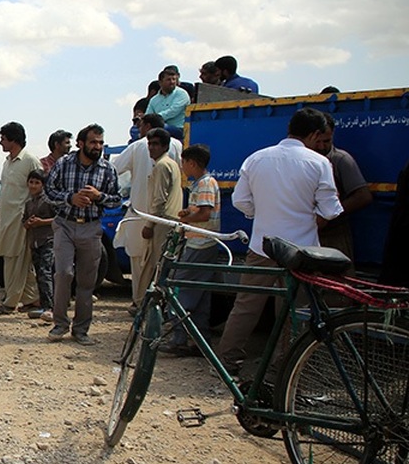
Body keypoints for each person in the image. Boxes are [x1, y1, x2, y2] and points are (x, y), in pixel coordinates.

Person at [215, 108, 343, 370]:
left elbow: (240, 201)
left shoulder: (257, 158)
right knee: (292, 311)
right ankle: (284, 366)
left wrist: (258, 213)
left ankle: (227, 358)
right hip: (301, 253)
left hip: (262, 246)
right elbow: (331, 210)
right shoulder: (319, 163)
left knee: (247, 304)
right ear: (315, 134)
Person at [44, 123, 121, 345]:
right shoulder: (64, 163)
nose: (97, 147)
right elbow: (48, 192)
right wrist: (71, 198)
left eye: (100, 143)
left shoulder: (107, 169)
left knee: (87, 280)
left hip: (91, 227)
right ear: (80, 144)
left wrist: (99, 196)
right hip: (65, 225)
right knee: (64, 273)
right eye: (93, 142)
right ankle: (59, 324)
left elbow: (117, 199)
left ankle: (81, 330)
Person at [112, 112, 183, 311]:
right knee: (163, 265)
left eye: (139, 123)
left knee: (142, 264)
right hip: (169, 218)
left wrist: (150, 224)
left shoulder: (141, 148)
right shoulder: (177, 147)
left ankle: (141, 303)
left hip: (147, 217)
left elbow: (114, 169)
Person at [159, 144, 221, 356]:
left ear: (192, 163)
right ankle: (199, 342)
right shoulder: (204, 184)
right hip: (204, 244)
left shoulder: (204, 184)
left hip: (199, 244)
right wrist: (189, 212)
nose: (183, 167)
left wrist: (185, 219)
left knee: (181, 291)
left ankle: (179, 340)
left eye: (184, 163)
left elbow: (204, 215)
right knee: (201, 296)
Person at [310, 114, 372, 264]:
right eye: (318, 142)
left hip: (334, 236)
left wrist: (329, 214)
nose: (322, 147)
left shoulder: (341, 160)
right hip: (307, 235)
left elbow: (363, 196)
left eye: (327, 141)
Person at [0, 121, 42, 314]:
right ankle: (32, 299)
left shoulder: (30, 160)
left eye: (3, 139)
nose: (0, 143)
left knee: (16, 260)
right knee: (16, 259)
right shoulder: (7, 162)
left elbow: (38, 190)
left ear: (13, 140)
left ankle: (10, 302)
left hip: (21, 218)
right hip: (6, 218)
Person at [137, 128, 184, 297]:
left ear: (165, 146)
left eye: (155, 144)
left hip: (163, 222)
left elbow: (159, 200)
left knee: (156, 266)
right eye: (149, 144)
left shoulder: (163, 165)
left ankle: (149, 305)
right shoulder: (170, 164)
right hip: (170, 221)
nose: (151, 148)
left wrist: (149, 224)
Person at [22, 169, 55, 322]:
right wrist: (28, 223)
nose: (33, 186)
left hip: (48, 241)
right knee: (40, 274)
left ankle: (50, 307)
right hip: (34, 242)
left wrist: (42, 222)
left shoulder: (48, 201)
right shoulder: (29, 203)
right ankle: (44, 304)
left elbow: (59, 219)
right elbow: (24, 222)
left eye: (37, 183)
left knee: (45, 272)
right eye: (31, 182)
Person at [146, 65, 191, 139]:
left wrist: (156, 120)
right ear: (160, 82)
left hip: (178, 129)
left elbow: (172, 111)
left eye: (174, 79)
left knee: (159, 129)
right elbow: (148, 115)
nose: (172, 82)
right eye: (168, 80)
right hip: (158, 126)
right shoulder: (154, 99)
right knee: (136, 129)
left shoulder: (182, 94)